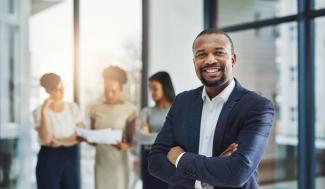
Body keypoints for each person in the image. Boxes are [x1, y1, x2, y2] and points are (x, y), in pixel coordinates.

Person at [147, 29, 275, 189]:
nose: (210, 60)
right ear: (194, 62)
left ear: (233, 60)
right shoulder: (182, 101)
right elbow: (155, 162)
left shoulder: (257, 106)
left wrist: (180, 158)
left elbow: (236, 173)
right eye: (201, 55)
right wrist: (204, 179)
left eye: (219, 53)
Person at [89, 66, 137, 189]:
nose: (109, 95)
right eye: (106, 90)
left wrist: (125, 145)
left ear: (120, 88)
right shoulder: (95, 109)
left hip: (119, 164)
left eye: (113, 91)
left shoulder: (130, 110)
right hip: (101, 163)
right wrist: (86, 138)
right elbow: (93, 140)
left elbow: (132, 140)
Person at [33, 73, 83, 189]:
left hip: (71, 155)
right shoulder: (39, 111)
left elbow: (80, 135)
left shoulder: (72, 108)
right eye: (56, 90)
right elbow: (46, 139)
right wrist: (44, 111)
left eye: (62, 88)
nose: (60, 92)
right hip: (49, 157)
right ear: (48, 91)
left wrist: (61, 142)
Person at [135, 71, 175, 189]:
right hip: (148, 159)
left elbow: (175, 138)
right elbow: (139, 137)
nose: (152, 93)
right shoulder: (147, 112)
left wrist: (149, 134)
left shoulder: (176, 110)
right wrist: (164, 135)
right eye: (150, 89)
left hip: (168, 161)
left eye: (155, 88)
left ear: (165, 87)